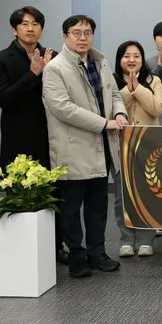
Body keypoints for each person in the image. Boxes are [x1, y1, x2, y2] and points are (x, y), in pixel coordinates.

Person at [42, 15, 127, 278]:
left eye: (87, 33)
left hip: (102, 146)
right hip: (73, 147)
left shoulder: (100, 62)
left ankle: (97, 253)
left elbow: (115, 94)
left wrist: (120, 112)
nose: (82, 38)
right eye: (76, 33)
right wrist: (104, 123)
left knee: (97, 206)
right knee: (70, 209)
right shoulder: (55, 68)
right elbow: (63, 108)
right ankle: (77, 256)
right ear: (65, 36)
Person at [0, 6, 67, 265]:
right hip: (18, 137)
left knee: (53, 193)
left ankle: (55, 248)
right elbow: (4, 99)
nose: (30, 28)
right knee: (20, 193)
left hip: (49, 135)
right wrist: (33, 74)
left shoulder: (54, 57)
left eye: (35, 23)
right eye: (24, 24)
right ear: (15, 29)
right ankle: (23, 252)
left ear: (41, 28)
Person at [113, 40, 162, 258]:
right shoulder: (111, 81)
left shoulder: (154, 80)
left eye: (136, 56)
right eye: (127, 56)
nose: (132, 60)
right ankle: (126, 240)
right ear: (119, 60)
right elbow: (110, 110)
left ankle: (145, 240)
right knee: (121, 196)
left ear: (143, 59)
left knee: (146, 194)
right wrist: (128, 90)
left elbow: (157, 108)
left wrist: (138, 88)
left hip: (147, 146)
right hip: (119, 145)